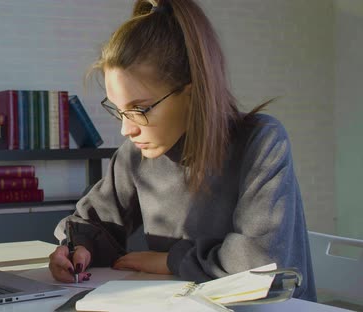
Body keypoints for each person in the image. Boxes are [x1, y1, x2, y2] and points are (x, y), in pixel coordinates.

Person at [48, 0, 317, 301]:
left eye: (140, 109)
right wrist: (78, 248)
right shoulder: (135, 155)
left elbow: (259, 262)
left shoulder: (262, 143)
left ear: (191, 94)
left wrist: (170, 260)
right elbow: (92, 222)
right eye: (119, 110)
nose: (127, 129)